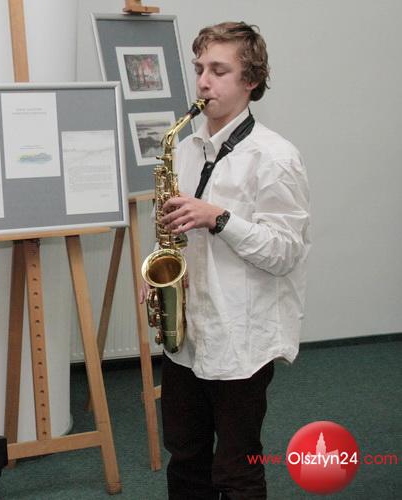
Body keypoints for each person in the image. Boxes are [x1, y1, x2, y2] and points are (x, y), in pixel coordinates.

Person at [143, 22, 310, 499]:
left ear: (250, 80)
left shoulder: (275, 157)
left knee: (237, 470)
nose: (203, 82)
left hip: (241, 337)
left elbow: (285, 252)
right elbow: (173, 227)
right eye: (199, 69)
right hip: (187, 333)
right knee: (185, 456)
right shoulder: (185, 148)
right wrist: (158, 265)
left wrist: (219, 218)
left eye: (219, 71)